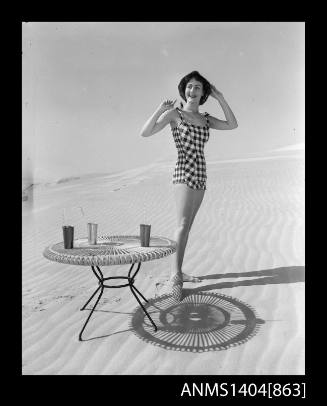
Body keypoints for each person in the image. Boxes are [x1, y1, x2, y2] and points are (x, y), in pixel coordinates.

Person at [140, 71, 238, 301]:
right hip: (183, 171)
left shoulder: (205, 119)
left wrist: (220, 97)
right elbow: (145, 133)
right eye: (189, 87)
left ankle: (179, 268)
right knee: (182, 224)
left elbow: (232, 124)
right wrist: (159, 109)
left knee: (188, 225)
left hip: (201, 173)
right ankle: (175, 276)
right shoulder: (175, 114)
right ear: (184, 89)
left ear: (204, 94)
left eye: (197, 88)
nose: (192, 91)